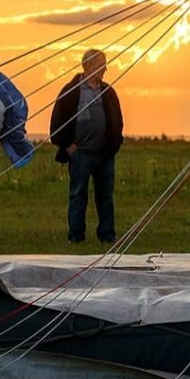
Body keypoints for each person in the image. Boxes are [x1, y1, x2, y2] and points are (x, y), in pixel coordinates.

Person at [50, 49, 124, 243]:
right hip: (80, 154)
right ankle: (76, 235)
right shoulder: (71, 91)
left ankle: (107, 235)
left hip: (104, 154)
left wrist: (113, 146)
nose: (105, 69)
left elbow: (117, 121)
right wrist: (68, 145)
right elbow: (57, 122)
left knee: (105, 197)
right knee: (78, 195)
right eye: (101, 64)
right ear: (89, 65)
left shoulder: (108, 92)